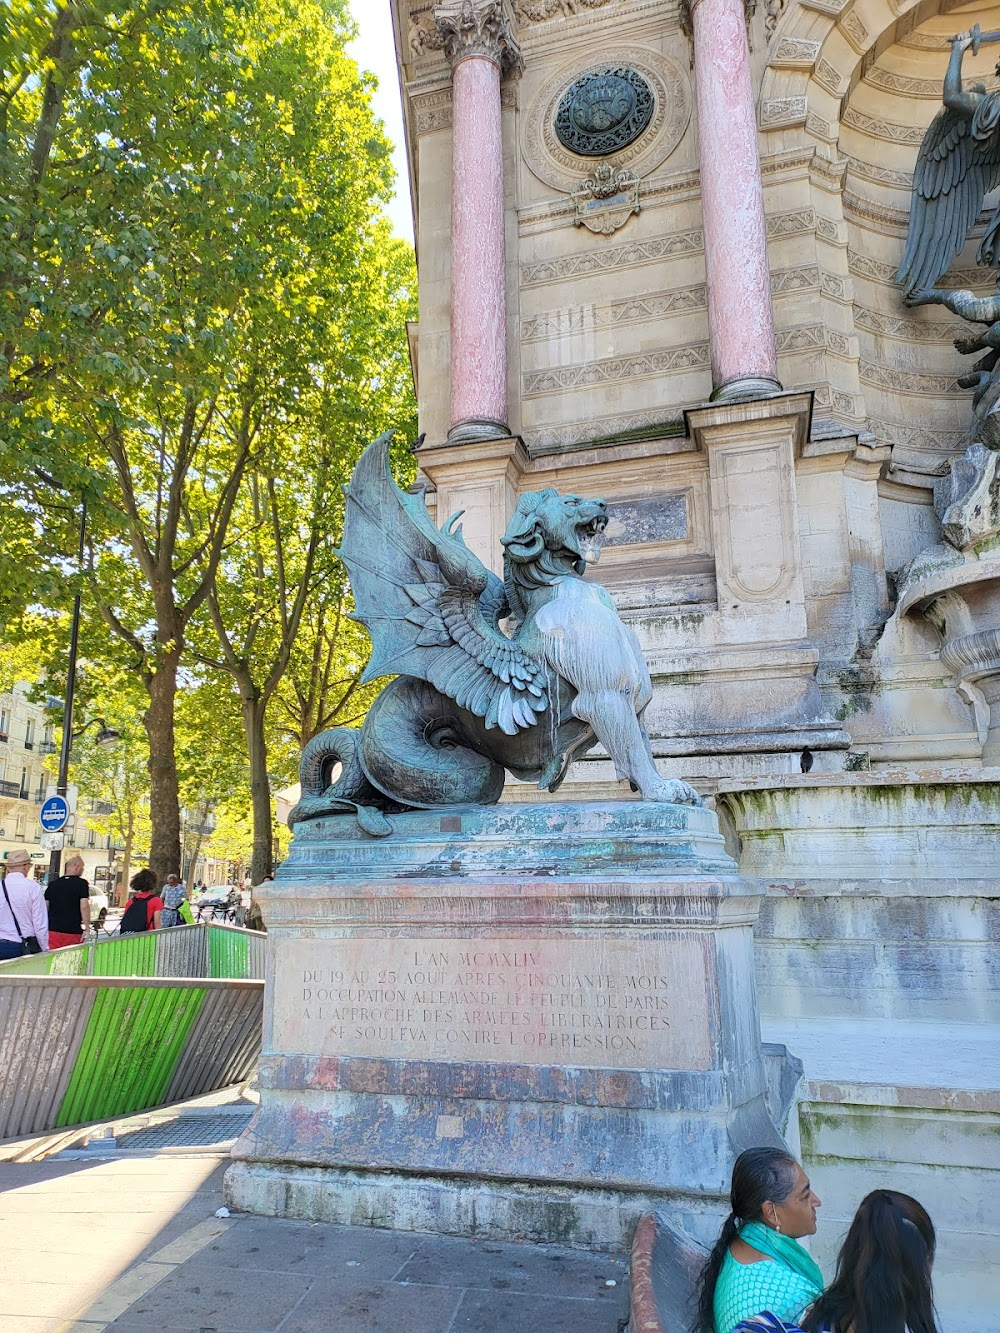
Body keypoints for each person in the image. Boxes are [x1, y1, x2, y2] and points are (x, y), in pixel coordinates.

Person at [697, 1147, 823, 1333]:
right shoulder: (792, 1296)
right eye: (805, 1196)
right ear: (771, 1212)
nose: (817, 1201)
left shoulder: (743, 1239)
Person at [0, 848, 49, 958]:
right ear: (25, 866)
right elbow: (40, 923)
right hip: (21, 945)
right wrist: (44, 948)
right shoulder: (33, 888)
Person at [45, 855, 91, 948]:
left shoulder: (53, 884)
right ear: (76, 867)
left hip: (52, 930)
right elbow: (84, 906)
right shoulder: (82, 884)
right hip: (72, 930)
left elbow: (45, 906)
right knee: (71, 959)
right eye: (82, 867)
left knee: (53, 958)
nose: (82, 870)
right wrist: (87, 928)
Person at [119, 868, 163, 933]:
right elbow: (157, 923)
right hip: (148, 937)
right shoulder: (156, 901)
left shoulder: (131, 901)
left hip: (130, 937)